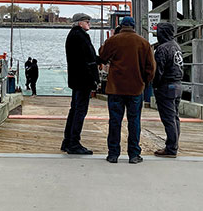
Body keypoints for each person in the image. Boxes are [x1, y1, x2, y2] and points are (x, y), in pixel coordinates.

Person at [98, 16, 155, 164]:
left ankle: (113, 154)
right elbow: (151, 68)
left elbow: (102, 56)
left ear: (121, 26)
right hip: (135, 89)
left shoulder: (114, 40)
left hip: (115, 88)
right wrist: (144, 81)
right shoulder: (144, 43)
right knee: (134, 121)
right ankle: (134, 154)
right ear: (134, 26)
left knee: (115, 121)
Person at [61, 13, 99, 155]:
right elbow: (89, 58)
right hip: (83, 80)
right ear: (79, 23)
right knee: (80, 111)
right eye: (86, 21)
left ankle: (67, 141)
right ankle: (74, 143)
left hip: (76, 79)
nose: (89, 23)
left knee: (74, 110)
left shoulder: (73, 35)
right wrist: (95, 77)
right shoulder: (80, 36)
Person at [152, 21, 184, 158]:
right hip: (178, 85)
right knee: (175, 117)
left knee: (168, 119)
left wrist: (154, 85)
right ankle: (174, 144)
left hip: (166, 86)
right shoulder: (176, 46)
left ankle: (171, 148)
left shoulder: (162, 49)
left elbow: (158, 70)